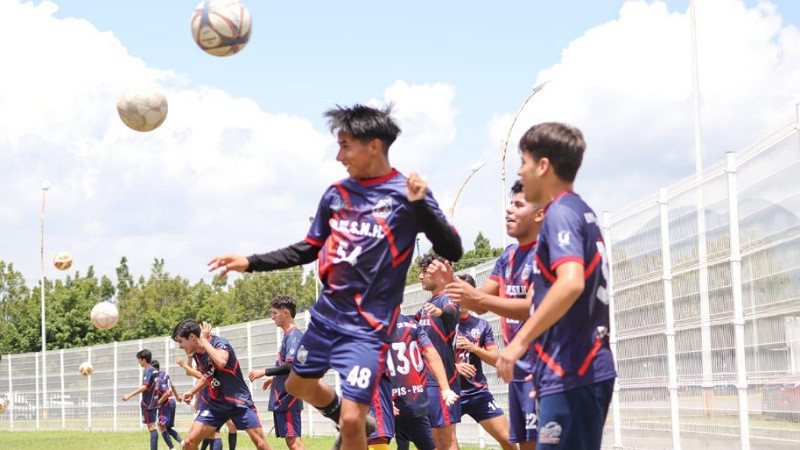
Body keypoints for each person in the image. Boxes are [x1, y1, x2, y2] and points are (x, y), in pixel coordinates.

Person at [207, 104, 462, 449]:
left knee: (355, 422)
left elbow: (453, 248)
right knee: (298, 386)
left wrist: (421, 205)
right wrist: (249, 261)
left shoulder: (407, 193)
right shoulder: (336, 195)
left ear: (373, 145)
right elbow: (308, 247)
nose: (339, 155)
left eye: (345, 145)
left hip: (369, 326)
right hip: (327, 316)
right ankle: (337, 408)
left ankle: (348, 417)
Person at [497, 122, 616, 449]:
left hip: (572, 373)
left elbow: (571, 283)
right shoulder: (580, 211)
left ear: (543, 166)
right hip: (575, 372)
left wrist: (519, 342)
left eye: (523, 162)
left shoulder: (560, 213)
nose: (520, 172)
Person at [445, 180, 543, 449]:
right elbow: (480, 305)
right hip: (518, 370)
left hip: (544, 368)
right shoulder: (508, 256)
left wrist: (476, 297)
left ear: (540, 214)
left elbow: (534, 307)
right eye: (510, 204)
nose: (509, 211)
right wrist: (453, 284)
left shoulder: (547, 253)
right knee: (525, 444)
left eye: (518, 205)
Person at [172, 319, 270, 450]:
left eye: (180, 341)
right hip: (216, 405)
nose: (180, 346)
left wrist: (204, 341)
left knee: (261, 444)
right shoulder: (197, 355)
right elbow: (207, 376)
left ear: (192, 337)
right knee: (189, 442)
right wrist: (192, 391)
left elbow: (221, 361)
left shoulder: (219, 343)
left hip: (237, 401)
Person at [453, 274, 516, 450]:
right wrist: (454, 367)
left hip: (477, 394)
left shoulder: (481, 325)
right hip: (450, 395)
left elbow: (496, 359)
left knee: (508, 439)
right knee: (446, 445)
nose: (461, 299)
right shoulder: (441, 322)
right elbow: (428, 357)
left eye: (465, 293)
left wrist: (474, 348)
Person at [389, 313, 456, 450]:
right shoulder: (413, 325)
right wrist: (446, 389)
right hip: (414, 403)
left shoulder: (371, 328)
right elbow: (431, 353)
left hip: (391, 404)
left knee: (362, 442)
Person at [415, 253, 462, 450]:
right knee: (436, 440)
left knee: (445, 440)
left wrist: (440, 313)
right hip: (428, 381)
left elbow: (452, 312)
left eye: (424, 272)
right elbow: (409, 323)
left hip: (443, 381)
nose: (419, 277)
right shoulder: (427, 306)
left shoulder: (446, 300)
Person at [249, 295, 305, 450]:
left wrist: (264, 372)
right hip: (283, 396)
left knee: (294, 441)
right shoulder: (289, 336)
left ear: (286, 313)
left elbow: (290, 366)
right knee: (291, 440)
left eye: (274, 313)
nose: (272, 317)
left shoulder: (294, 335)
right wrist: (274, 379)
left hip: (288, 397)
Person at [177, 353, 225, 450]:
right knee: (209, 433)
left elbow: (202, 376)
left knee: (213, 433)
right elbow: (189, 373)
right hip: (204, 396)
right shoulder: (198, 358)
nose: (181, 346)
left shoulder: (206, 357)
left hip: (210, 396)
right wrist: (189, 358)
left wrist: (184, 364)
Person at [122, 349, 160, 450]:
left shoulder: (147, 370)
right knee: (153, 426)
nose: (138, 362)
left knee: (152, 427)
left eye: (139, 359)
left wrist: (129, 395)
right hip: (154, 402)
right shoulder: (155, 370)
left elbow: (144, 387)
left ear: (143, 359)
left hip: (148, 403)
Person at [151, 360, 184, 450]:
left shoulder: (157, 377)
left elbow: (166, 393)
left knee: (161, 426)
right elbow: (172, 387)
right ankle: (183, 442)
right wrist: (177, 397)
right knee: (167, 428)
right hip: (172, 401)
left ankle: (172, 448)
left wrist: (158, 403)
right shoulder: (165, 374)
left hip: (166, 404)